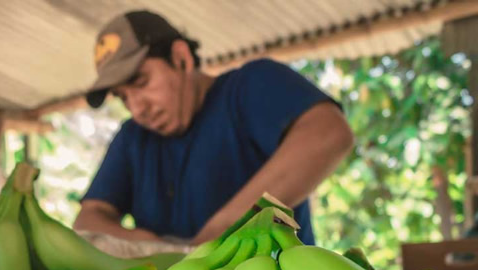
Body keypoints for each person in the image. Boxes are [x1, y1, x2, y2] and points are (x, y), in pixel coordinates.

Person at [73, 10, 355, 245]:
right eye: (123, 97)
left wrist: (214, 236)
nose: (137, 108)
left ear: (180, 58)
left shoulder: (247, 88)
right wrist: (155, 247)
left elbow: (328, 132)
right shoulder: (133, 138)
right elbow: (89, 218)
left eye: (140, 82)